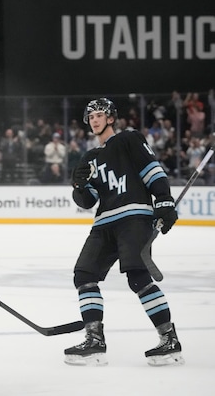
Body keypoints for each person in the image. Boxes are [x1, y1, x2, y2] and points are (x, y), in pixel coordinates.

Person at [64, 97, 182, 367]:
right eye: (90, 116)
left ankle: (169, 338)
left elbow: (152, 170)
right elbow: (89, 201)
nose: (94, 119)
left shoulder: (129, 139)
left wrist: (163, 199)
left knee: (138, 277)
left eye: (99, 114)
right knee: (84, 274)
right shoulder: (90, 157)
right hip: (104, 223)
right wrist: (79, 186)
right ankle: (94, 339)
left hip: (134, 217)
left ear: (110, 118)